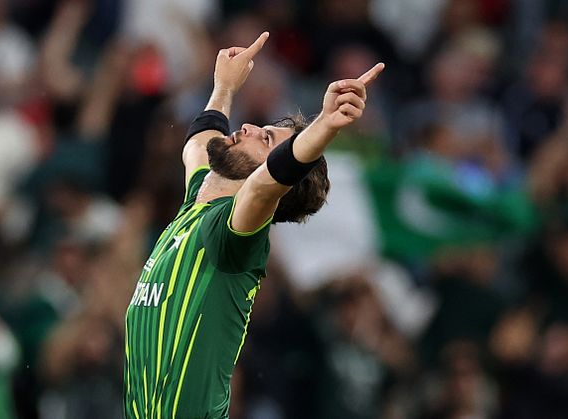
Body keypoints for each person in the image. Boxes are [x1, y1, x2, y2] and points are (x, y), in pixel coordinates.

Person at [123, 31, 384, 419]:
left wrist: (325, 125)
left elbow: (266, 184)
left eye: (264, 138)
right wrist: (224, 88)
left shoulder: (235, 237)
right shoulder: (197, 202)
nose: (245, 127)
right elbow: (197, 144)